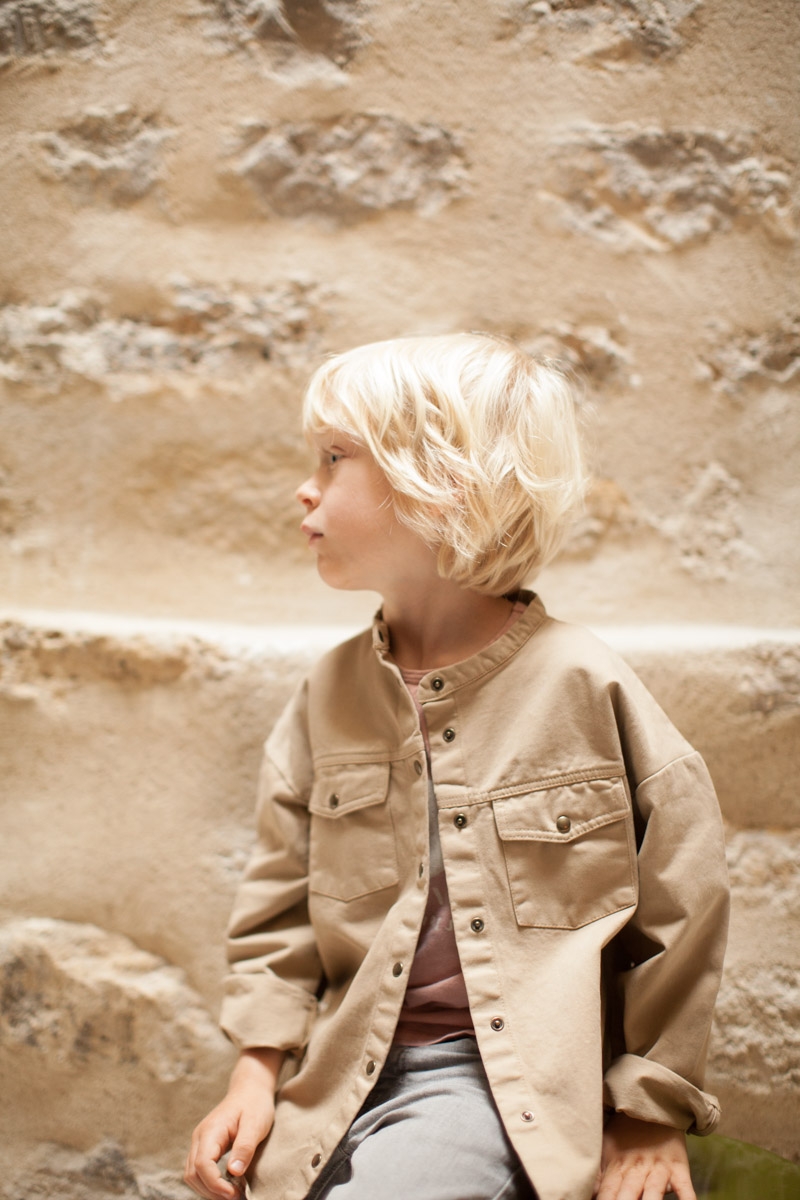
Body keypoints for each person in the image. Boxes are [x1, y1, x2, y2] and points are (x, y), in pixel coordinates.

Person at [185, 334, 729, 1200]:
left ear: (439, 483)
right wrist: (253, 1078)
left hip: (490, 1086)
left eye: (334, 458)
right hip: (334, 1082)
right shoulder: (327, 694)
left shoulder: (585, 685)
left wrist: (649, 1114)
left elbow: (682, 907)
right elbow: (278, 914)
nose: (305, 488)